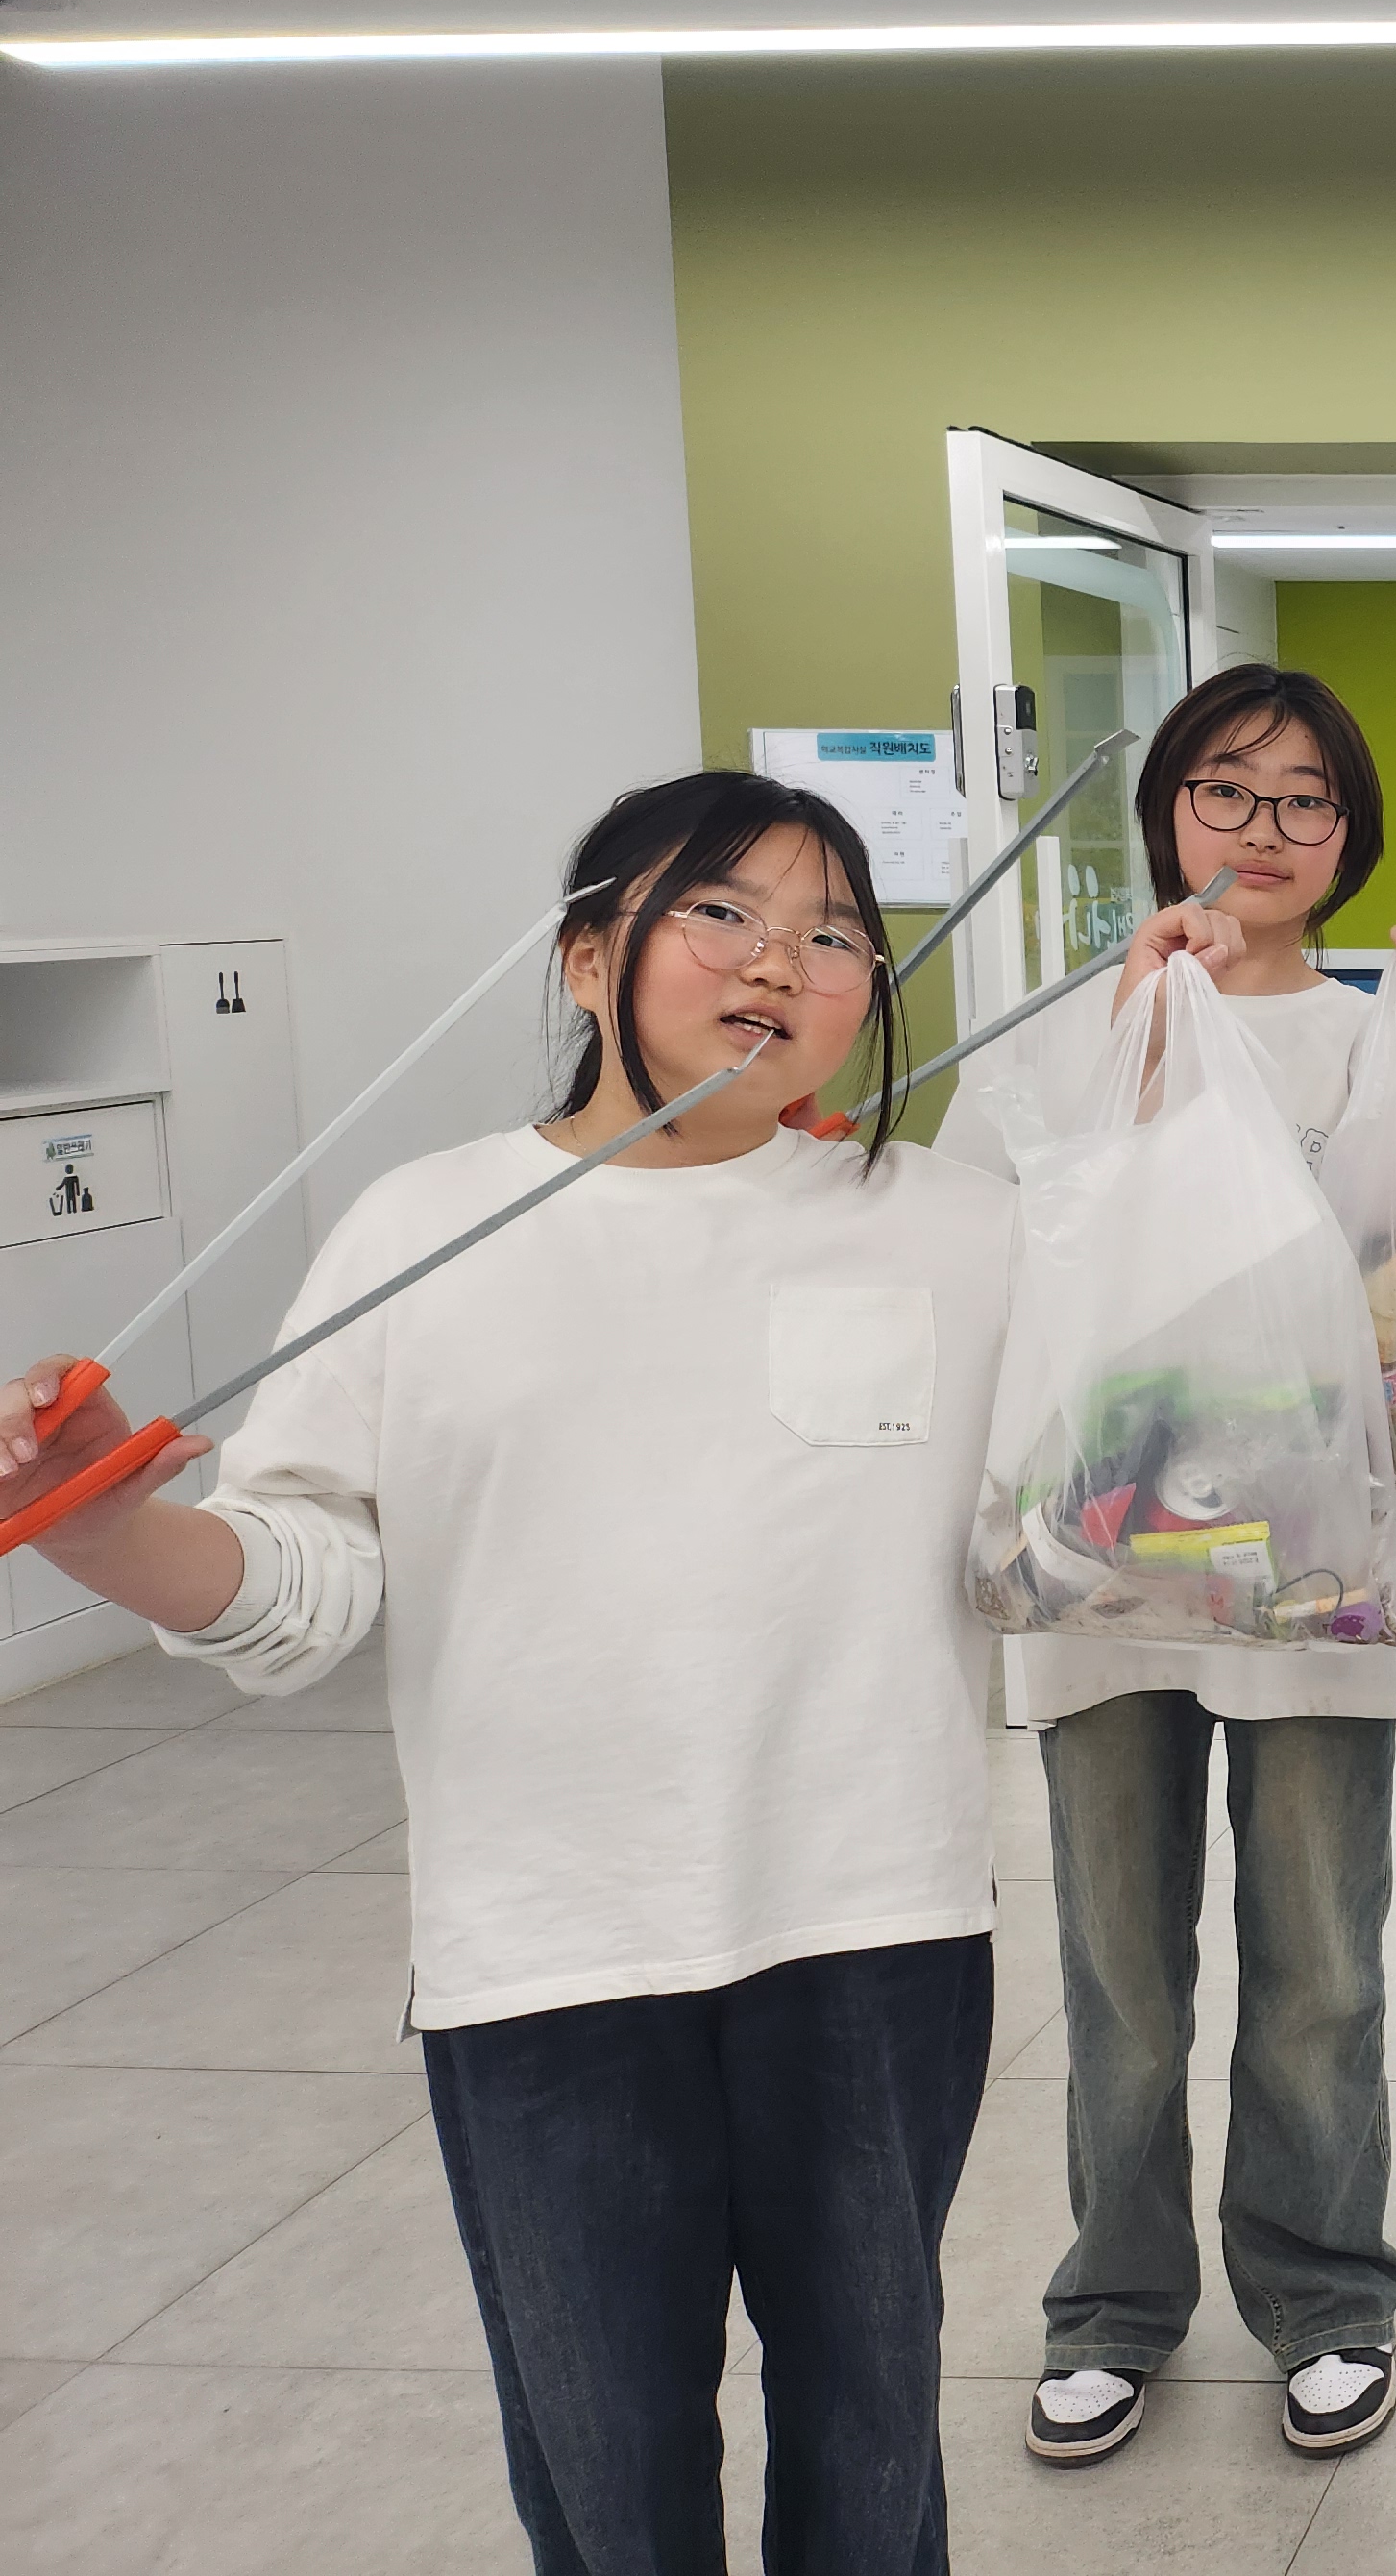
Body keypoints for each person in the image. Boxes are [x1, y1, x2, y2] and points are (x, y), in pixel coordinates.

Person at [3, 771, 1016, 2576]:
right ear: (585, 958)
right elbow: (300, 1582)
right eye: (725, 913)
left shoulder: (951, 1225)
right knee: (610, 2477)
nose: (779, 961)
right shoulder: (424, 1228)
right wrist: (96, 1530)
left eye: (834, 934)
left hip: (874, 1924)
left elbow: (1094, 1500)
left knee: (872, 2447)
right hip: (550, 1947)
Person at [934, 663, 1396, 2468]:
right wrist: (1133, 1036)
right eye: (1226, 789)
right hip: (1094, 1565)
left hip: (1306, 1571)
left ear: (1350, 835)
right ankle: (1114, 2304)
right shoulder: (1062, 1023)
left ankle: (1325, 2293)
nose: (1262, 828)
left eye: (1306, 799)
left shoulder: (1367, 1032)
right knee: (1119, 1970)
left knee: (1319, 1957)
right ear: (1168, 806)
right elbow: (980, 1248)